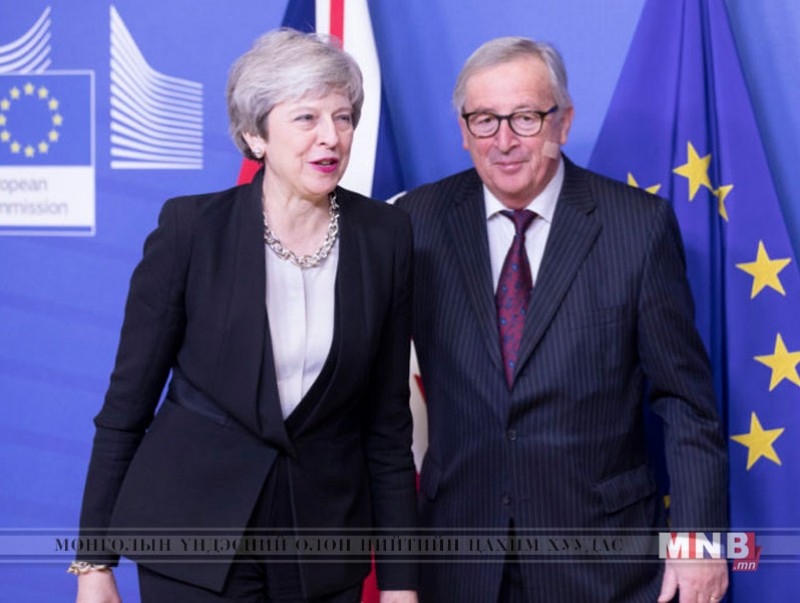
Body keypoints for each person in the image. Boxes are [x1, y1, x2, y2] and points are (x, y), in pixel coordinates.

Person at [73, 28, 418, 603]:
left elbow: (387, 426)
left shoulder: (385, 236)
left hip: (322, 546)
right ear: (256, 135)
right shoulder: (191, 231)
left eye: (343, 117)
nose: (331, 137)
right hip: (194, 537)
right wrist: (93, 563)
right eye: (306, 118)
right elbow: (125, 409)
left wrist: (401, 582)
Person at [396, 36, 728, 602]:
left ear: (564, 122)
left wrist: (697, 541)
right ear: (463, 130)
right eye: (484, 120)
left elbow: (685, 400)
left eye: (525, 118)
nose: (503, 141)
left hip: (603, 563)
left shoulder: (637, 227)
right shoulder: (415, 221)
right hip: (458, 561)